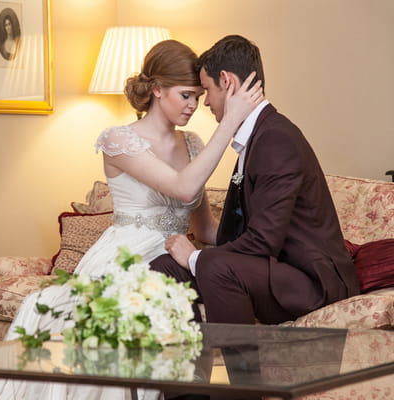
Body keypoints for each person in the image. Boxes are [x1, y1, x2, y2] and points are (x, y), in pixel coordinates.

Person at [0, 39, 263, 400]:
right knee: (119, 316)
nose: (193, 106)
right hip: (125, 257)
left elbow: (205, 230)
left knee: (170, 312)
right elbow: (183, 190)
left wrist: (261, 241)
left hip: (174, 258)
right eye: (185, 95)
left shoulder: (194, 144)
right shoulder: (119, 140)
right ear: (157, 90)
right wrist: (231, 121)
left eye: (199, 98)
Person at [150, 34, 360, 329]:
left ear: (227, 82)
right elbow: (241, 232)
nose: (206, 102)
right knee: (164, 269)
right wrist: (190, 258)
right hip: (276, 270)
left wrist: (196, 257)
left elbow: (263, 240)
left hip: (312, 282)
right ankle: (190, 366)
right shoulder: (257, 134)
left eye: (207, 90)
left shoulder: (276, 138)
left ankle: (244, 371)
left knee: (214, 265)